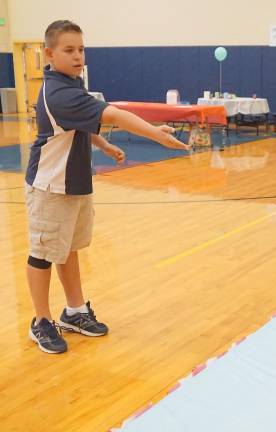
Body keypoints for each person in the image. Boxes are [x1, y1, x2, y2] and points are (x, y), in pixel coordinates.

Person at [25, 20, 190, 354]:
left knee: (68, 248)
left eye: (82, 49)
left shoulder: (70, 84)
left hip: (74, 184)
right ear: (50, 53)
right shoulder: (58, 92)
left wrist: (104, 147)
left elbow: (81, 124)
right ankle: (41, 321)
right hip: (51, 186)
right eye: (69, 50)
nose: (78, 56)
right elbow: (112, 115)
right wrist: (157, 135)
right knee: (43, 253)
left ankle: (74, 311)